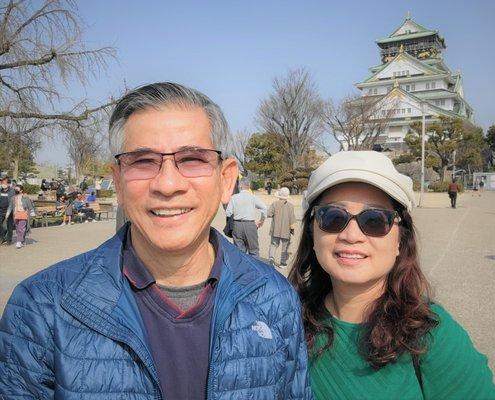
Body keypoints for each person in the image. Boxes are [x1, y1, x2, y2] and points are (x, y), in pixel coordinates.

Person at [0, 82, 311, 399]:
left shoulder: (274, 297)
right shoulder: (41, 307)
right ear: (118, 181)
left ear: (225, 179)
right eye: (143, 161)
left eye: (192, 159)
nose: (168, 184)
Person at [289, 151, 495, 399]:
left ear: (400, 239)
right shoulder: (286, 322)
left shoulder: (432, 336)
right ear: (313, 233)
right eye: (333, 217)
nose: (351, 235)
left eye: (375, 220)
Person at [225, 177, 267, 256]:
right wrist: (261, 221)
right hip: (250, 225)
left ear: (240, 186)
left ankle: (241, 267)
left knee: (239, 252)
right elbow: (264, 208)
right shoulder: (253, 197)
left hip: (237, 225)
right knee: (254, 251)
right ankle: (254, 267)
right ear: (249, 186)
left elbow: (228, 213)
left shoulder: (234, 197)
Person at [268, 187, 296, 269]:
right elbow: (292, 219)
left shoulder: (274, 204)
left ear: (279, 195)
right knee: (285, 247)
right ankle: (283, 263)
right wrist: (292, 229)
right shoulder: (291, 206)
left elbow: (269, 214)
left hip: (275, 229)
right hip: (286, 230)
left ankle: (271, 260)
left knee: (273, 245)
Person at [5, 185, 36, 249]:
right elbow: (10, 206)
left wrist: (32, 212)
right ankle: (22, 240)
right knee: (18, 229)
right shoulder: (13, 198)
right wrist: (7, 214)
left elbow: (30, 206)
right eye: (15, 189)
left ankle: (18, 242)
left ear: (21, 190)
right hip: (16, 215)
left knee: (21, 228)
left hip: (24, 214)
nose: (15, 190)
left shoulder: (25, 197)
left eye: (17, 189)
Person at [0, 176, 15, 245]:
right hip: (1, 210)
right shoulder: (0, 190)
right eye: (2, 183)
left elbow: (13, 203)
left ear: (8, 184)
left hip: (9, 211)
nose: (3, 184)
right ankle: (2, 237)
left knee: (9, 226)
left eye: (4, 183)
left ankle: (9, 240)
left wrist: (9, 212)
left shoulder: (12, 191)